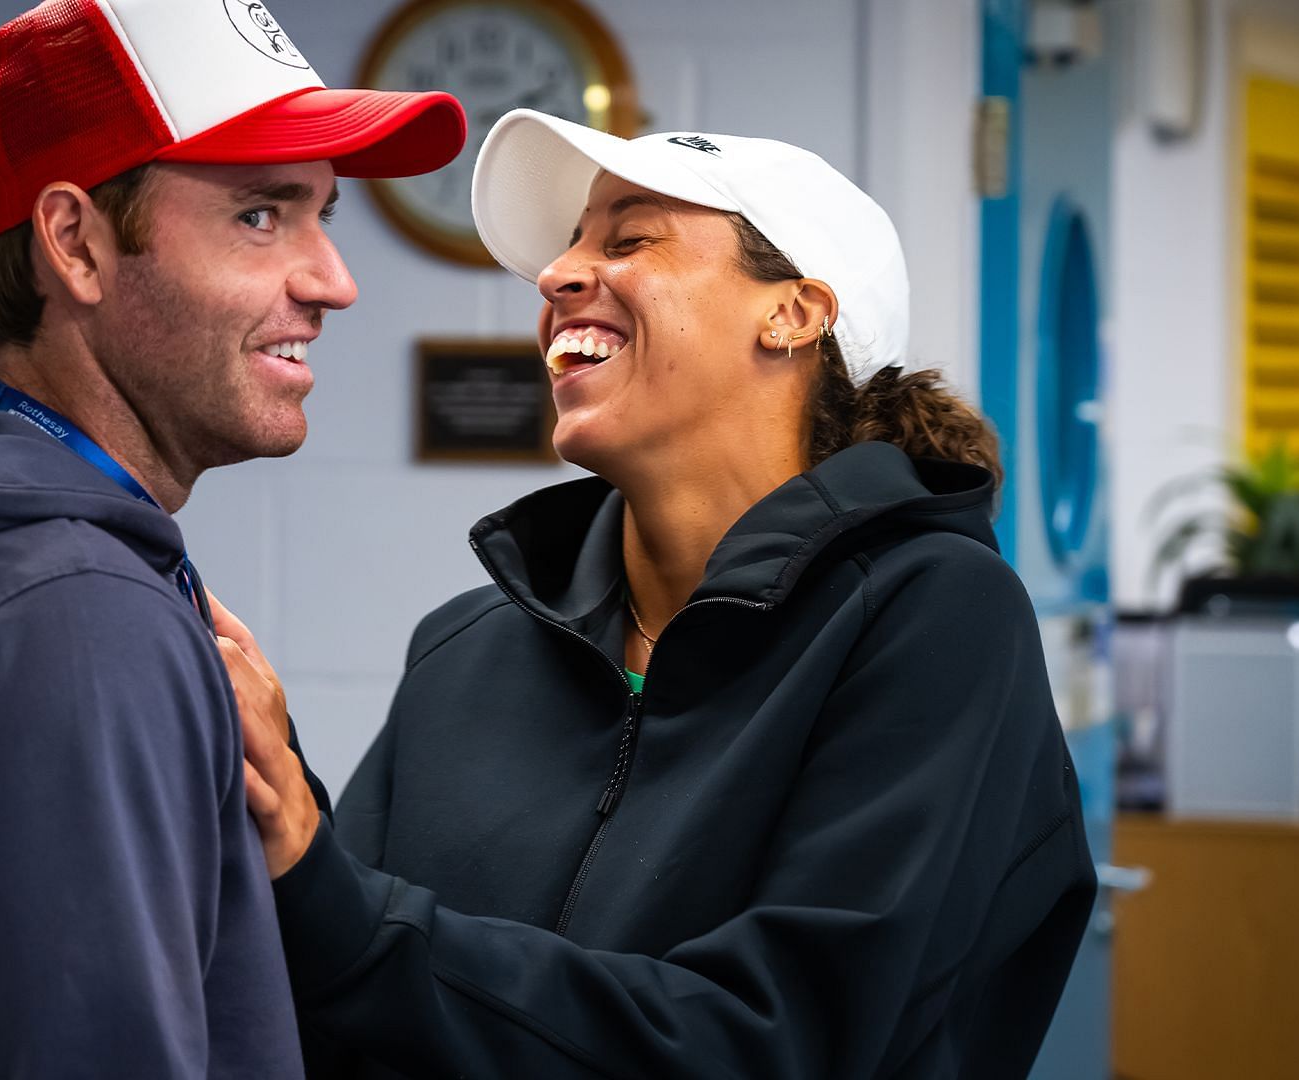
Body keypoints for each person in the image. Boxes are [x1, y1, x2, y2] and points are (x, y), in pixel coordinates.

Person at [216, 110, 1097, 1078]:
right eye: (567, 246)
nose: (555, 276)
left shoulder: (931, 620)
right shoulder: (464, 649)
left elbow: (781, 1045)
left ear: (794, 314)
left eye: (630, 238)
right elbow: (349, 1009)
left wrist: (329, 895)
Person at [0, 1, 463, 1075]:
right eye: (261, 216)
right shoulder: (68, 620)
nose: (332, 282)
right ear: (75, 243)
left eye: (323, 217)